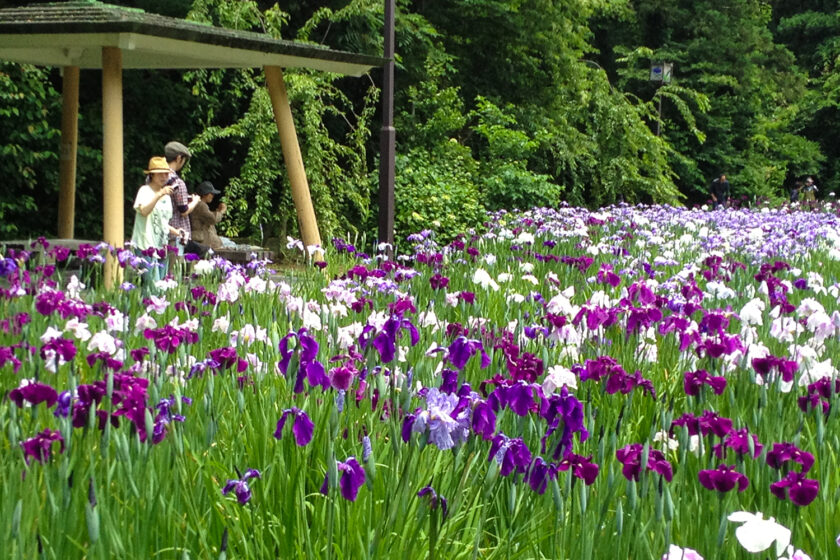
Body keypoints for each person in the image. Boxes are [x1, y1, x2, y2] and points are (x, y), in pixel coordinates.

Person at [131, 157, 186, 285]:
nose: (164, 176)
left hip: (161, 247)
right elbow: (144, 211)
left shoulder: (167, 196)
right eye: (160, 173)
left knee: (160, 286)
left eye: (166, 173)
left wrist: (177, 231)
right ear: (152, 174)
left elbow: (163, 223)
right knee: (152, 285)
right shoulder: (144, 191)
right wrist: (159, 195)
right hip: (145, 246)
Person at [163, 141, 201, 252]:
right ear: (179, 158)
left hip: (159, 232)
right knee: (173, 268)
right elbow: (183, 210)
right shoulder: (177, 182)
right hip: (176, 234)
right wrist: (195, 201)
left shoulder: (153, 178)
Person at [189, 181, 227, 250]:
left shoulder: (198, 204)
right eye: (211, 193)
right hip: (203, 241)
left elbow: (207, 216)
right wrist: (222, 211)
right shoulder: (201, 205)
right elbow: (213, 219)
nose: (213, 196)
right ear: (204, 194)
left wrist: (217, 211)